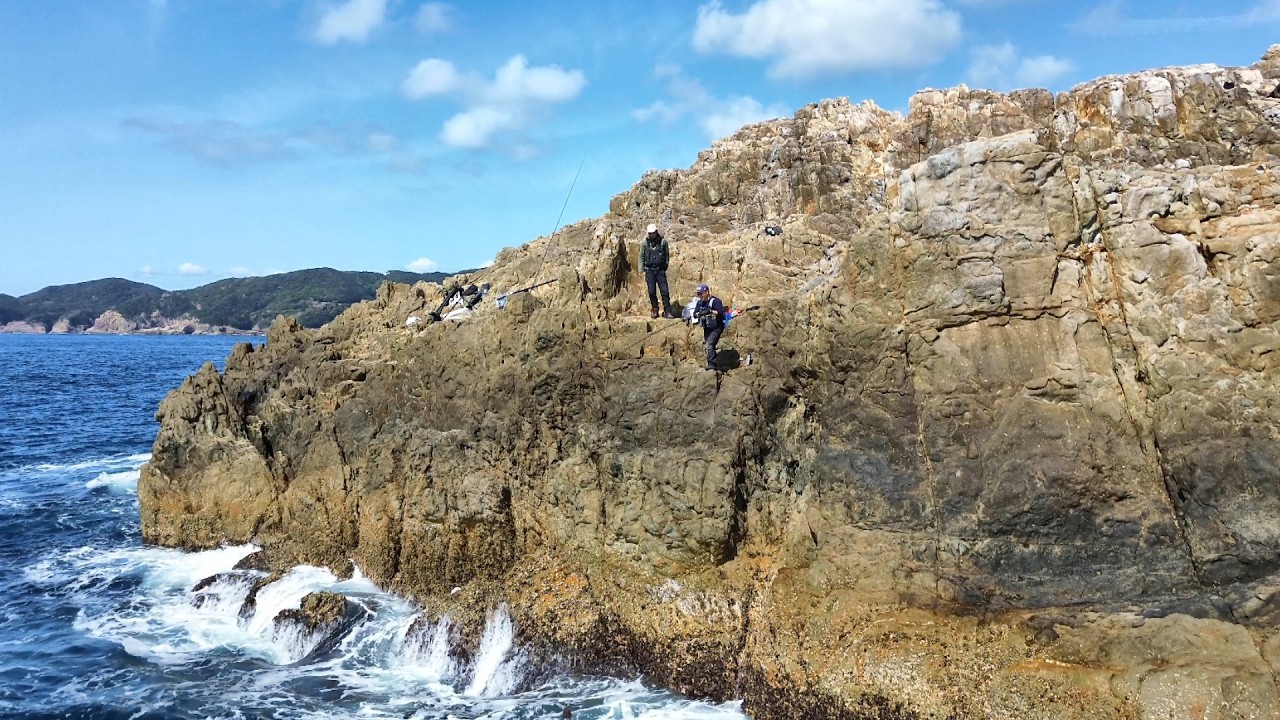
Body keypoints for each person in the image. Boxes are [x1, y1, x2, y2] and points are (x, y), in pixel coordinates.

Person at [641, 223, 675, 319]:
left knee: (665, 291)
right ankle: (655, 309)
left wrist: (665, 266)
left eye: (653, 233)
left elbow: (667, 254)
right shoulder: (644, 243)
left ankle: (667, 311)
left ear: (656, 232)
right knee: (652, 291)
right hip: (649, 270)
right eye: (650, 233)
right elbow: (641, 256)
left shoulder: (663, 242)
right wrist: (641, 268)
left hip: (660, 270)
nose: (652, 235)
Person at [692, 283, 725, 371]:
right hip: (707, 327)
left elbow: (720, 312)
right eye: (698, 294)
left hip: (717, 327)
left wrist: (710, 311)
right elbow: (695, 314)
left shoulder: (715, 301)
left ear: (706, 292)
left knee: (709, 344)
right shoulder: (700, 303)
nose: (700, 296)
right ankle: (713, 363)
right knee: (709, 345)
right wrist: (698, 314)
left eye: (701, 293)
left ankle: (712, 364)